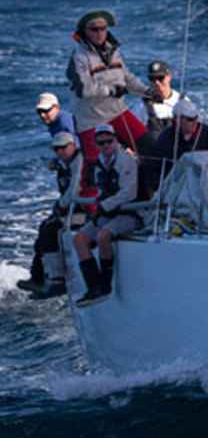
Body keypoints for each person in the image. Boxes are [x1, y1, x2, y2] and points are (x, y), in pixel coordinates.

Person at [65, 9, 152, 162]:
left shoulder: (114, 51)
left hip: (117, 112)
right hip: (90, 119)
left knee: (149, 146)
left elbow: (126, 78)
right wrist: (111, 90)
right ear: (84, 32)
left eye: (103, 28)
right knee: (93, 165)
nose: (99, 33)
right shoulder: (79, 56)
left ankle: (152, 183)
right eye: (94, 29)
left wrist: (148, 92)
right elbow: (83, 89)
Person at [72, 124, 141, 307]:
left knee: (103, 236)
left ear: (116, 141)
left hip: (130, 212)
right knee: (79, 239)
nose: (105, 146)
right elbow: (102, 191)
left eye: (109, 141)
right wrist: (98, 209)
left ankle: (104, 285)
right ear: (95, 144)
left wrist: (103, 207)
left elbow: (129, 193)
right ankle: (94, 287)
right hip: (109, 213)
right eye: (101, 142)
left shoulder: (126, 161)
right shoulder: (99, 164)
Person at [16, 132, 88, 299]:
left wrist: (61, 204)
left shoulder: (79, 161)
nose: (60, 152)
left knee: (51, 230)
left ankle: (56, 279)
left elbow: (75, 190)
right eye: (56, 149)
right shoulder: (66, 164)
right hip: (72, 209)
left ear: (73, 145)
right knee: (44, 228)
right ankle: (38, 278)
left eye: (63, 147)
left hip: (83, 210)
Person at [142, 97, 208, 194]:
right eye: (190, 119)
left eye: (196, 119)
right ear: (177, 120)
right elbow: (152, 168)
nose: (194, 123)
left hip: (202, 186)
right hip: (176, 190)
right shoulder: (166, 139)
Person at [131, 59, 179, 143]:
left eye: (160, 78)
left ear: (169, 76)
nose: (156, 82)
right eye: (152, 79)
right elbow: (131, 132)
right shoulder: (142, 105)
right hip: (152, 154)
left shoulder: (181, 101)